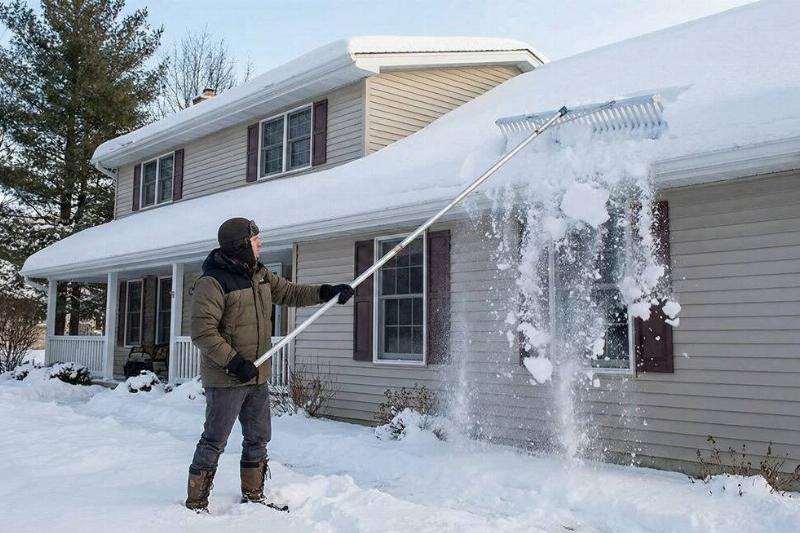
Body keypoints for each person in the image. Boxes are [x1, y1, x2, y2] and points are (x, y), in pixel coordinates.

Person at [185, 217, 353, 512]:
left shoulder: (259, 275)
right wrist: (235, 362)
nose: (260, 244)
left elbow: (290, 293)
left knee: (259, 437)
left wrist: (326, 291)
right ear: (240, 246)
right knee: (215, 439)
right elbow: (202, 332)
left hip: (257, 374)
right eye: (254, 240)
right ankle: (196, 501)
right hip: (227, 377)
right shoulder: (213, 282)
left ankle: (253, 494)